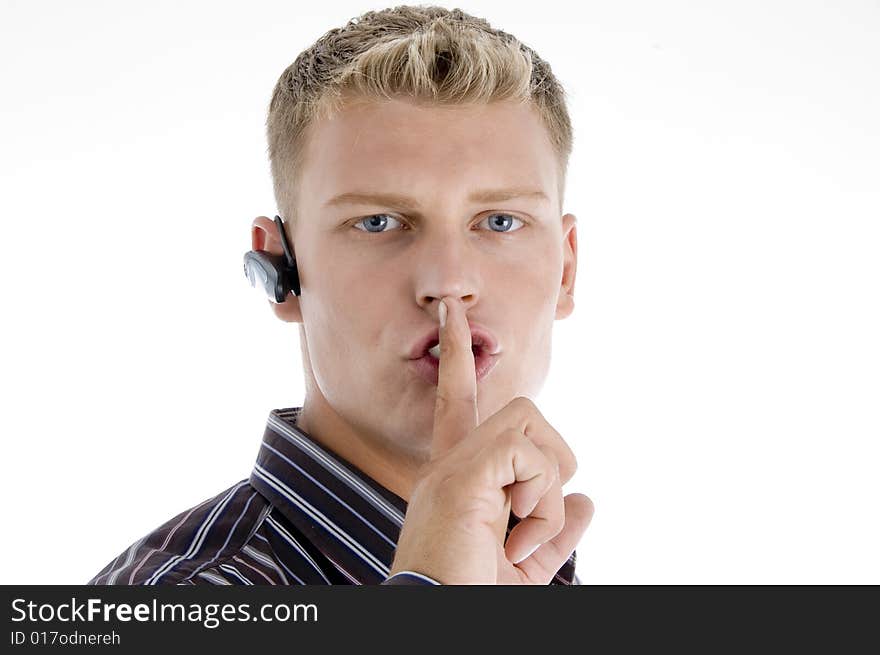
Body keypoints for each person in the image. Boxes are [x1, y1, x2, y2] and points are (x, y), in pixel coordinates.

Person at [88, 4, 594, 586]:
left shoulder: (527, 566)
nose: (449, 282)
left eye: (501, 221)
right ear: (283, 267)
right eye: (379, 222)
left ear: (565, 268)